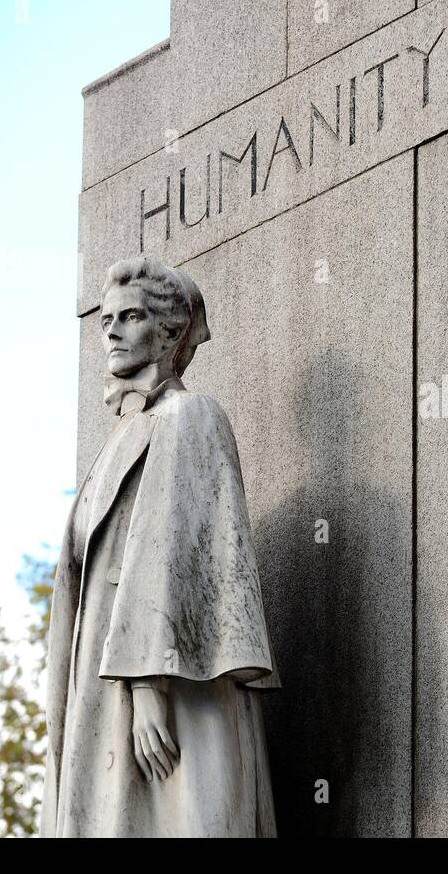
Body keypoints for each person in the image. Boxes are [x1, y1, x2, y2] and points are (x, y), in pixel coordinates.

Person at [41, 256, 279, 837]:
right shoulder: (119, 438)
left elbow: (177, 555)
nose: (113, 331)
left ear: (171, 332)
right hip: (104, 684)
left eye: (132, 316)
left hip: (172, 686)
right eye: (105, 320)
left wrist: (149, 687)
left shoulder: (190, 415)